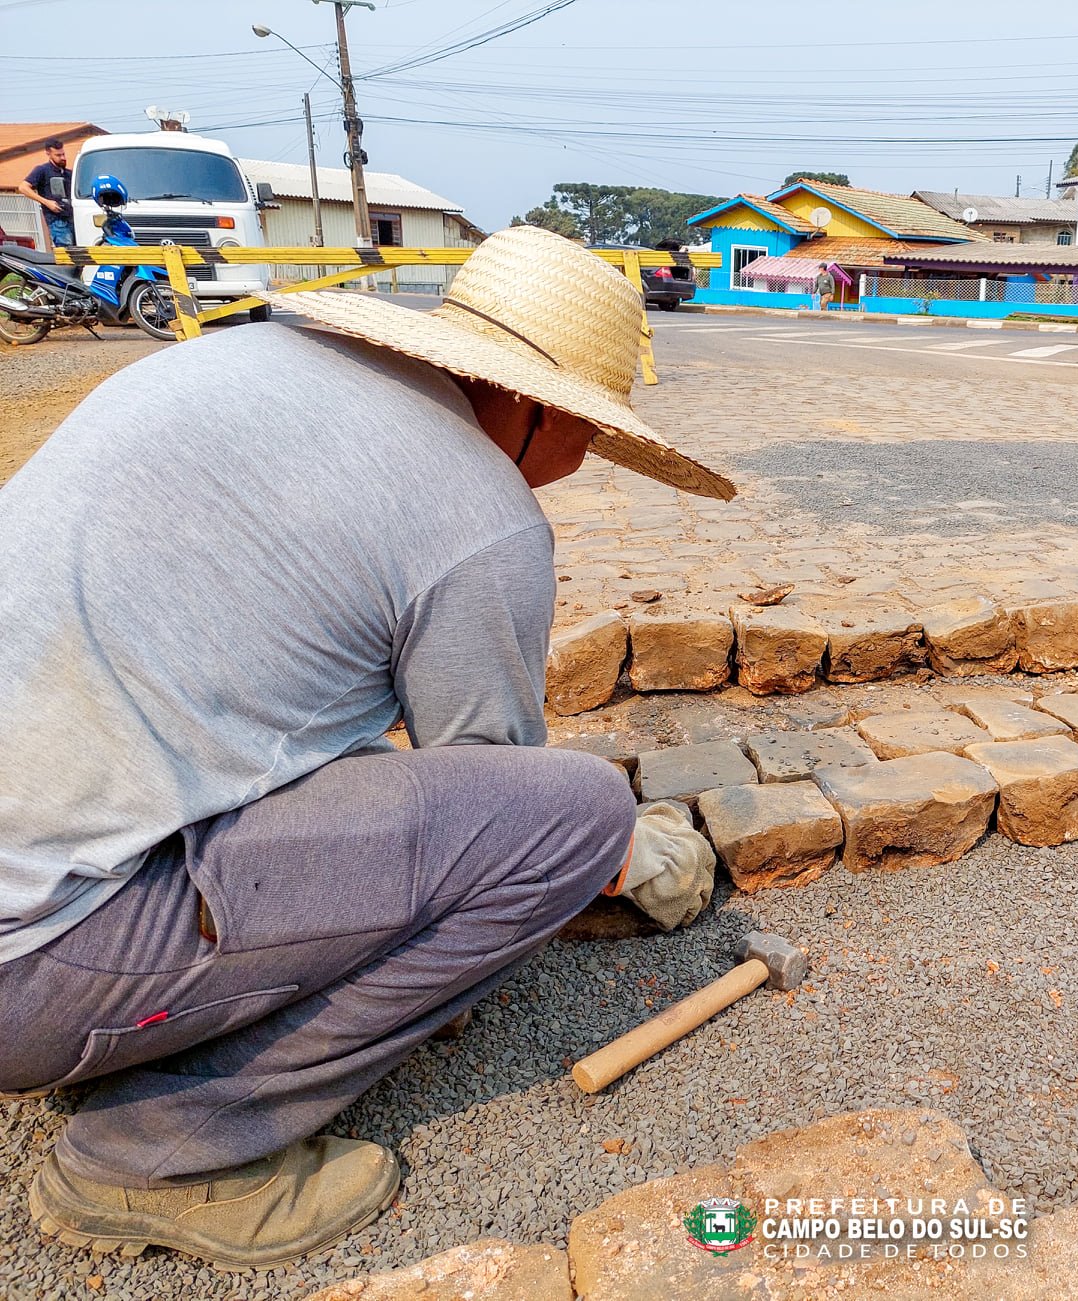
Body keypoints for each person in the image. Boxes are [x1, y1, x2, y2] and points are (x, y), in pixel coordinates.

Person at [0, 226, 734, 1268]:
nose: (584, 464)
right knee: (577, 815)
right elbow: (499, 785)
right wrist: (620, 849)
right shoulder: (481, 517)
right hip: (29, 969)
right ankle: (156, 1148)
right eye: (593, 435)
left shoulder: (230, 360)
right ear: (536, 405)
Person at [20, 138, 74, 247]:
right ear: (48, 154)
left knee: (80, 253)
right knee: (67, 253)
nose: (63, 158)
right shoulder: (42, 170)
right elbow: (23, 187)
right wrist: (47, 202)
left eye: (63, 154)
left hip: (72, 217)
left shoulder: (68, 173)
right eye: (58, 155)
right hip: (57, 220)